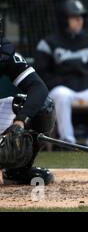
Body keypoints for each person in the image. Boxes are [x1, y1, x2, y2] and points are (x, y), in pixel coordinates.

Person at [34, 0, 88, 148]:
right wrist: (65, 82)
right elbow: (42, 74)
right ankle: (68, 141)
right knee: (62, 95)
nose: (79, 21)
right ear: (64, 19)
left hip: (85, 88)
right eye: (74, 17)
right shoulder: (49, 42)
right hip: (61, 89)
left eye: (81, 17)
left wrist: (85, 83)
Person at [0, 19, 55, 185]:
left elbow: (38, 88)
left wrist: (20, 121)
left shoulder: (3, 52)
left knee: (43, 106)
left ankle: (18, 171)